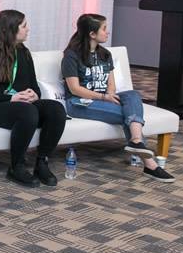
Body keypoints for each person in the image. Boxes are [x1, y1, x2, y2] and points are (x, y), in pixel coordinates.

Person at [61, 13, 175, 182]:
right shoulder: (71, 56)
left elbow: (111, 84)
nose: (108, 32)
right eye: (104, 29)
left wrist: (110, 95)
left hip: (105, 98)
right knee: (128, 115)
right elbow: (75, 89)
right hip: (79, 103)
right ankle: (150, 165)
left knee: (132, 95)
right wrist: (103, 97)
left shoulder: (105, 54)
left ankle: (136, 141)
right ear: (92, 34)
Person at [0, 9, 68, 187]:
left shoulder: (23, 52)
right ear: (11, 29)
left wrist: (34, 94)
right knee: (27, 111)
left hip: (21, 107)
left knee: (56, 109)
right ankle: (17, 166)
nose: (28, 29)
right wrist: (10, 99)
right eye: (24, 26)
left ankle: (42, 161)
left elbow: (34, 85)